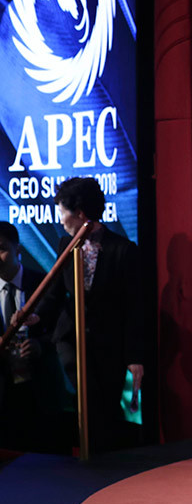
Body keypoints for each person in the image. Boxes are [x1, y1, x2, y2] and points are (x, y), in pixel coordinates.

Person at [33, 177, 144, 453]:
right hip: (70, 337)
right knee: (86, 394)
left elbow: (133, 307)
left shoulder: (122, 250)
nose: (60, 220)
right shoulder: (65, 244)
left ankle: (100, 464)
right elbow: (54, 292)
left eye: (62, 212)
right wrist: (35, 317)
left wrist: (134, 357)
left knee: (105, 407)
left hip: (107, 343)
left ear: (80, 214)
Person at [0, 221, 47, 451]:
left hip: (41, 391)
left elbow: (61, 328)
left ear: (18, 249)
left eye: (1, 249)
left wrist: (40, 345)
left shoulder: (43, 284)